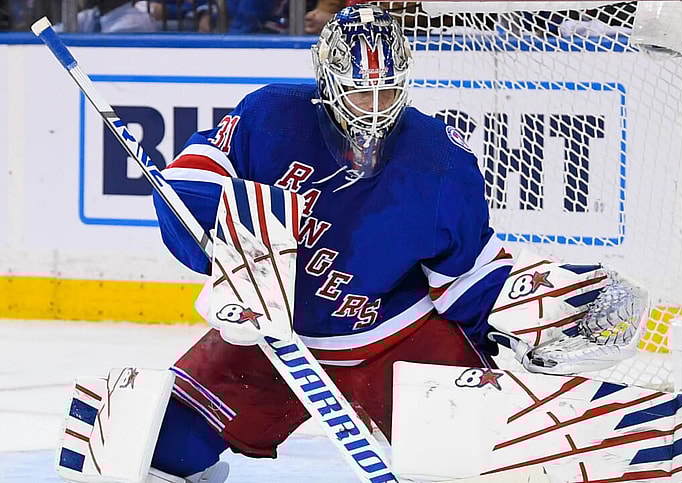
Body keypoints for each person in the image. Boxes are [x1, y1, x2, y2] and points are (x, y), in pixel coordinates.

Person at [147, 4, 640, 480]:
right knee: (159, 452)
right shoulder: (272, 115)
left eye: (388, 91)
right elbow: (191, 183)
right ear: (328, 81)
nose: (376, 109)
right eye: (361, 92)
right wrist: (210, 242)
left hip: (397, 341)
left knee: (473, 465)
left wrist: (527, 317)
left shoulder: (441, 161)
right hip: (276, 343)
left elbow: (465, 274)